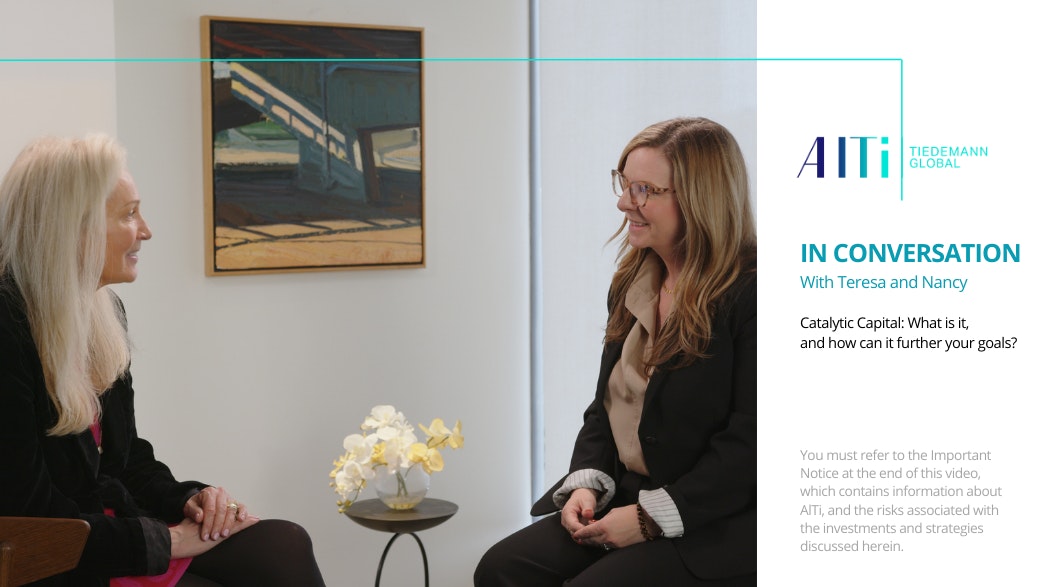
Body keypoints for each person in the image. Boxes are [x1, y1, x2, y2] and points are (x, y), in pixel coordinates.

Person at [0, 135, 326, 587]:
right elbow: (29, 513)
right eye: (129, 214)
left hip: (121, 535)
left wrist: (188, 500)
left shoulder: (104, 312)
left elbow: (126, 460)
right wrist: (169, 540)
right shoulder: (8, 325)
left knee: (285, 543)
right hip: (65, 563)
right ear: (73, 225)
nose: (146, 230)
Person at [475, 118, 756, 586]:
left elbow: (750, 446)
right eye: (624, 184)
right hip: (629, 497)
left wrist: (649, 519)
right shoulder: (633, 280)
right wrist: (586, 484)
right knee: (501, 569)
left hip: (714, 522)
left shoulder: (752, 295)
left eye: (645, 190)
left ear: (700, 198)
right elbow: (608, 406)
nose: (625, 202)